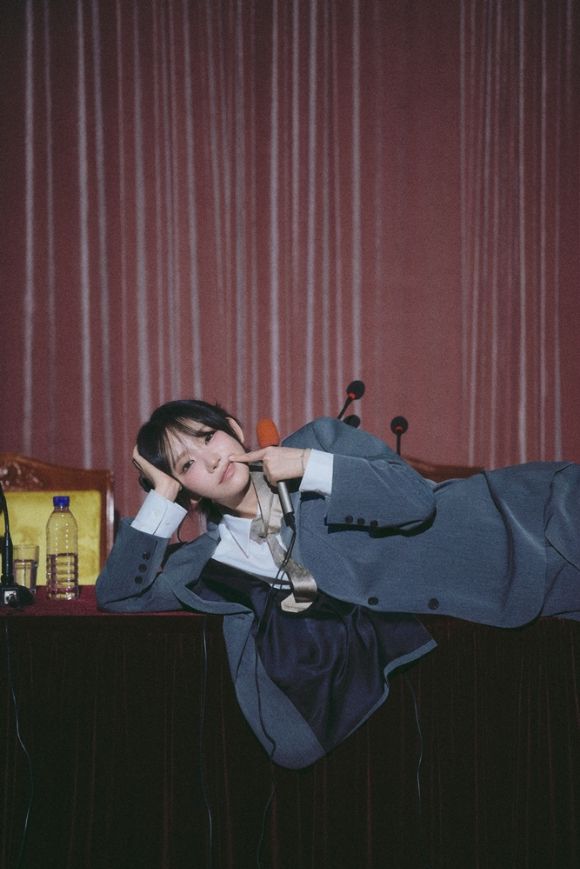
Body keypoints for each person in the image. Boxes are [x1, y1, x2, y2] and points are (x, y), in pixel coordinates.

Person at [96, 399, 580, 768]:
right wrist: (162, 496)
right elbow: (119, 594)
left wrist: (311, 466)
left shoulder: (318, 442)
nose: (209, 459)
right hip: (518, 590)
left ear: (234, 431)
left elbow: (416, 499)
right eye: (185, 466)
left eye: (208, 437)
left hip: (525, 517)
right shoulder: (206, 562)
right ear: (186, 490)